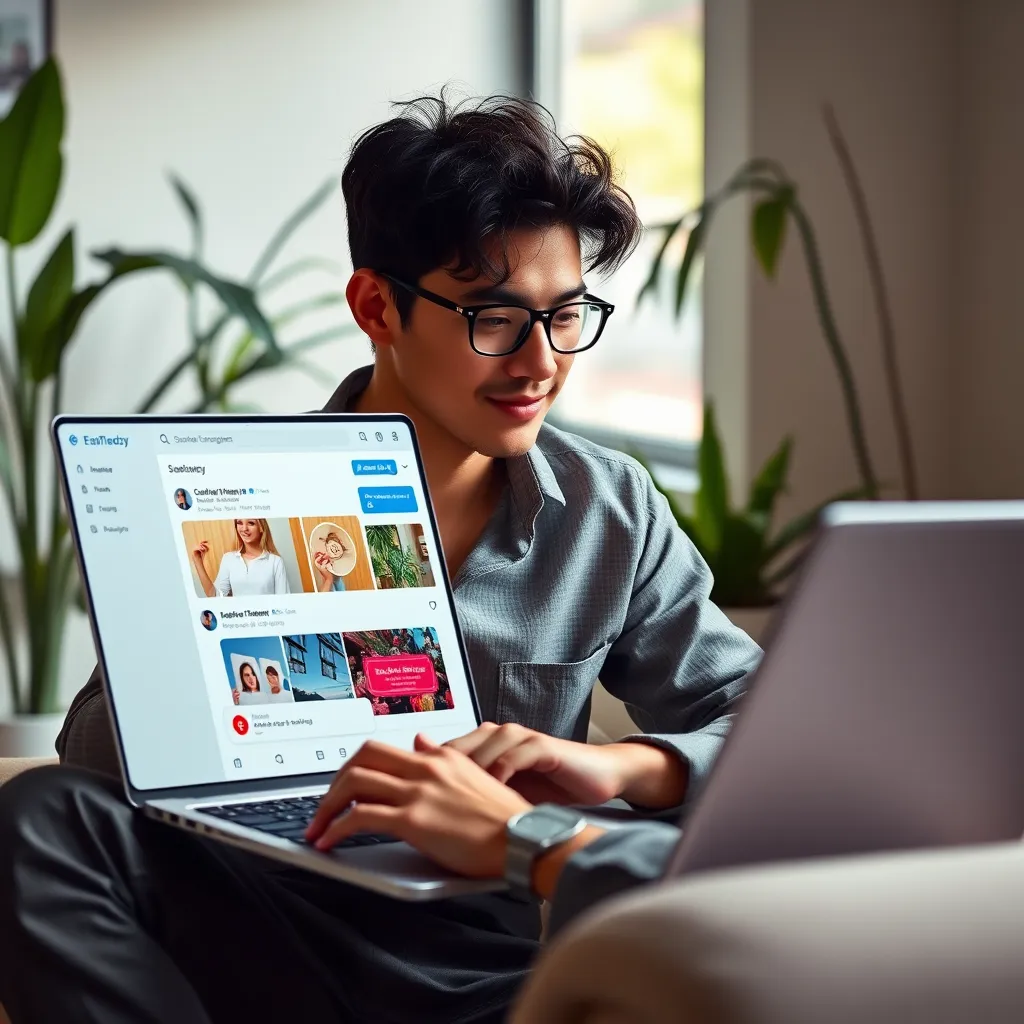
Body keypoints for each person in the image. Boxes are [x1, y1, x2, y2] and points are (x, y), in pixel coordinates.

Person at [0, 94, 761, 1023]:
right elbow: (93, 763)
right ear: (377, 307)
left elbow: (765, 727)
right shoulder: (232, 488)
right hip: (255, 911)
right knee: (37, 819)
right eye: (494, 319)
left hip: (469, 960)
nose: (540, 363)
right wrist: (192, 653)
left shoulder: (609, 510)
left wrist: (625, 768)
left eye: (566, 317)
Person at [192, 518, 290, 598]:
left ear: (261, 527)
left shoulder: (275, 561)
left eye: (251, 523)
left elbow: (284, 601)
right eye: (239, 523)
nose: (244, 529)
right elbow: (215, 597)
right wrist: (198, 561)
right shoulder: (228, 559)